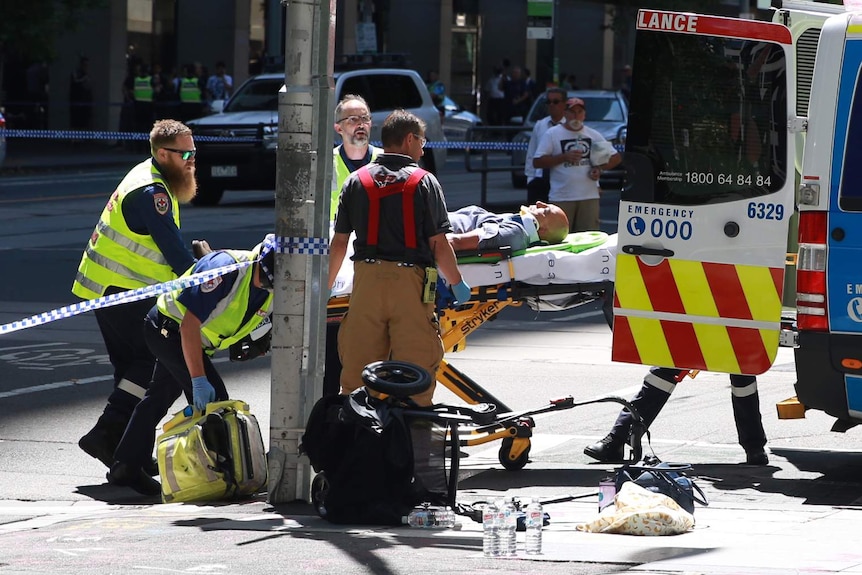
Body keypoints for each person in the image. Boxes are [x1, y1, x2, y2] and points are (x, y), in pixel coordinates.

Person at [73, 119, 201, 474]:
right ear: (163, 153)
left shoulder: (149, 175)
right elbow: (177, 257)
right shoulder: (153, 193)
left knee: (131, 369)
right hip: (121, 291)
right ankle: (107, 435)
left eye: (194, 151)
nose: (192, 159)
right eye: (185, 153)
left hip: (107, 288)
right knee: (156, 364)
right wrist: (208, 281)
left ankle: (123, 450)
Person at [107, 236, 275, 495]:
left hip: (189, 338)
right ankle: (222, 476)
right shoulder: (225, 271)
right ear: (258, 261)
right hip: (168, 329)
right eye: (263, 280)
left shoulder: (271, 285)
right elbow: (189, 325)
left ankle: (125, 466)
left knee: (158, 398)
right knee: (216, 403)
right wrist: (198, 379)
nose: (264, 287)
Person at [328, 109, 471, 407]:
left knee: (356, 372)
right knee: (416, 369)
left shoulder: (356, 181)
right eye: (421, 140)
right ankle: (410, 437)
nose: (423, 146)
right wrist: (457, 283)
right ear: (408, 140)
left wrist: (327, 286)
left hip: (366, 285)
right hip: (410, 288)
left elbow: (339, 242)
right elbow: (439, 244)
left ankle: (357, 433)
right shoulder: (424, 181)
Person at [324, 95, 384, 397]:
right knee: (333, 350)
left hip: (377, 262)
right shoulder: (325, 165)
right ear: (338, 127)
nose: (360, 125)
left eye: (365, 118)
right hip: (338, 267)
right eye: (352, 120)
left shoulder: (386, 162)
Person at [584, 368, 769, 466]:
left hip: (735, 314)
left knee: (743, 380)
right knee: (662, 374)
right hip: (696, 311)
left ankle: (754, 447)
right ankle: (617, 439)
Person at [533, 97, 622, 232]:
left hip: (589, 197)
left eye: (579, 112)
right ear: (565, 114)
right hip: (561, 196)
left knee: (589, 237)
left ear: (584, 115)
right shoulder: (553, 134)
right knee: (559, 236)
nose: (576, 116)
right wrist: (563, 157)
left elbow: (615, 158)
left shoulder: (593, 135)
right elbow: (537, 161)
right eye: (572, 112)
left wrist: (599, 169)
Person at [447, 202, 569, 253]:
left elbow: (456, 242)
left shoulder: (515, 233)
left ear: (542, 230)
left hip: (432, 227)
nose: (539, 203)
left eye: (545, 210)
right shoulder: (515, 226)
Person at [524, 87, 568, 205]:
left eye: (556, 102)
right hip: (539, 179)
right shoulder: (540, 125)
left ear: (564, 104)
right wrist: (530, 179)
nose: (551, 105)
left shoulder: (569, 127)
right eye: (548, 102)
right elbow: (531, 153)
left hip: (561, 181)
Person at [69, 56, 93, 131]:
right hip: (76, 98)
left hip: (84, 99)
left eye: (87, 65)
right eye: (85, 65)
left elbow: (88, 86)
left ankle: (81, 137)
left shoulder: (86, 74)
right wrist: (83, 79)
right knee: (75, 118)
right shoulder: (76, 72)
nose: (86, 67)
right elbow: (75, 81)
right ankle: (74, 138)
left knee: (84, 118)